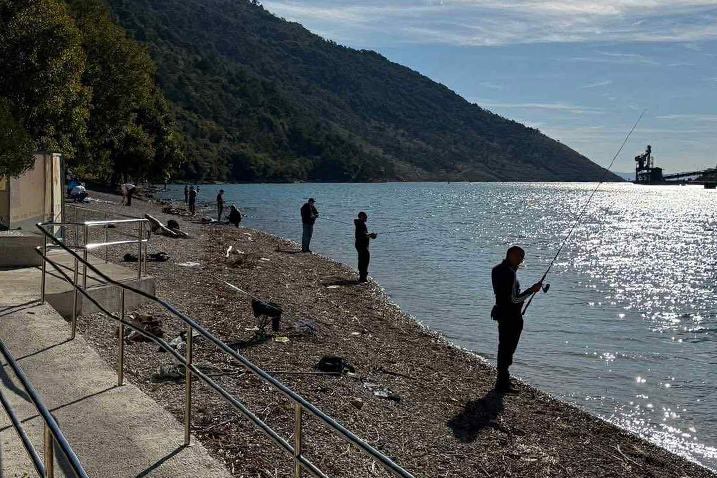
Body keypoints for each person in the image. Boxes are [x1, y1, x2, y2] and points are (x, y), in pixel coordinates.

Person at [490, 246, 543, 394]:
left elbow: (501, 295)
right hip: (511, 317)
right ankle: (502, 383)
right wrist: (531, 290)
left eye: (522, 257)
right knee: (507, 350)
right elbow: (513, 299)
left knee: (504, 348)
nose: (521, 260)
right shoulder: (510, 273)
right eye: (520, 256)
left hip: (502, 314)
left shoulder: (496, 269)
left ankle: (503, 380)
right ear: (511, 255)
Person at [354, 211, 377, 282]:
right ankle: (362, 278)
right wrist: (371, 235)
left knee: (362, 260)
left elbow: (364, 234)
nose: (366, 218)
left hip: (360, 245)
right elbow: (362, 235)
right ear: (361, 217)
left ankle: (362, 277)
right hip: (361, 245)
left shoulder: (360, 223)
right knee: (364, 260)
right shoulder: (360, 224)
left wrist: (370, 235)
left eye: (366, 216)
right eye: (365, 217)